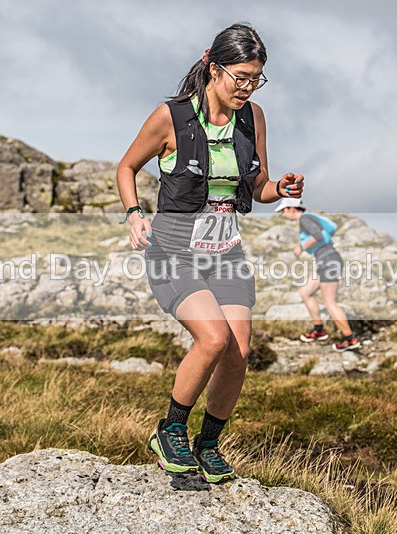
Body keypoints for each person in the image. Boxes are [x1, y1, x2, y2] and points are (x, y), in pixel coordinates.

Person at [116, 23, 302, 483]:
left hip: (226, 251)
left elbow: (258, 185)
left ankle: (208, 445)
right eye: (240, 76)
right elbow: (126, 166)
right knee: (213, 338)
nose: (247, 87)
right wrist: (134, 213)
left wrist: (280, 188)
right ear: (212, 65)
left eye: (256, 78)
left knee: (239, 350)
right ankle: (170, 430)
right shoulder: (171, 116)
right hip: (174, 249)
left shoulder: (252, 116)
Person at [276, 197, 360, 352]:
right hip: (326, 261)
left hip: (328, 260)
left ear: (292, 208)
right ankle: (319, 329)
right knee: (305, 292)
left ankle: (350, 339)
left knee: (330, 302)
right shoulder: (307, 219)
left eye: (283, 211)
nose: (282, 214)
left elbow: (318, 236)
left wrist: (301, 248)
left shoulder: (305, 219)